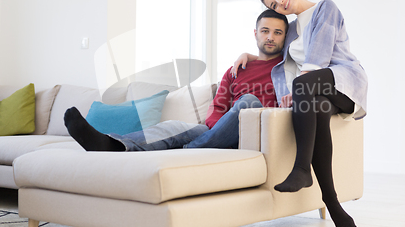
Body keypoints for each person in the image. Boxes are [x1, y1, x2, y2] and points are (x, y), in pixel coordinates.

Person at [231, 0, 368, 227]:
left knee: (302, 83)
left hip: (344, 80)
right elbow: (276, 54)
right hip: (317, 92)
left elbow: (320, 53)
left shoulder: (325, 8)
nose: (280, 3)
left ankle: (302, 169)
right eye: (273, 4)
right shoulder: (291, 29)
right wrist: (249, 55)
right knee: (315, 107)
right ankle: (331, 201)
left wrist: (299, 87)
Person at [64, 9, 288, 152]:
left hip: (253, 134)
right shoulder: (236, 69)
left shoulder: (287, 70)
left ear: (285, 37)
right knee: (172, 127)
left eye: (278, 33)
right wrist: (217, 131)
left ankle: (192, 148)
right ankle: (111, 144)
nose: (270, 37)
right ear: (255, 34)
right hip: (220, 130)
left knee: (248, 101)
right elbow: (218, 106)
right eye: (265, 31)